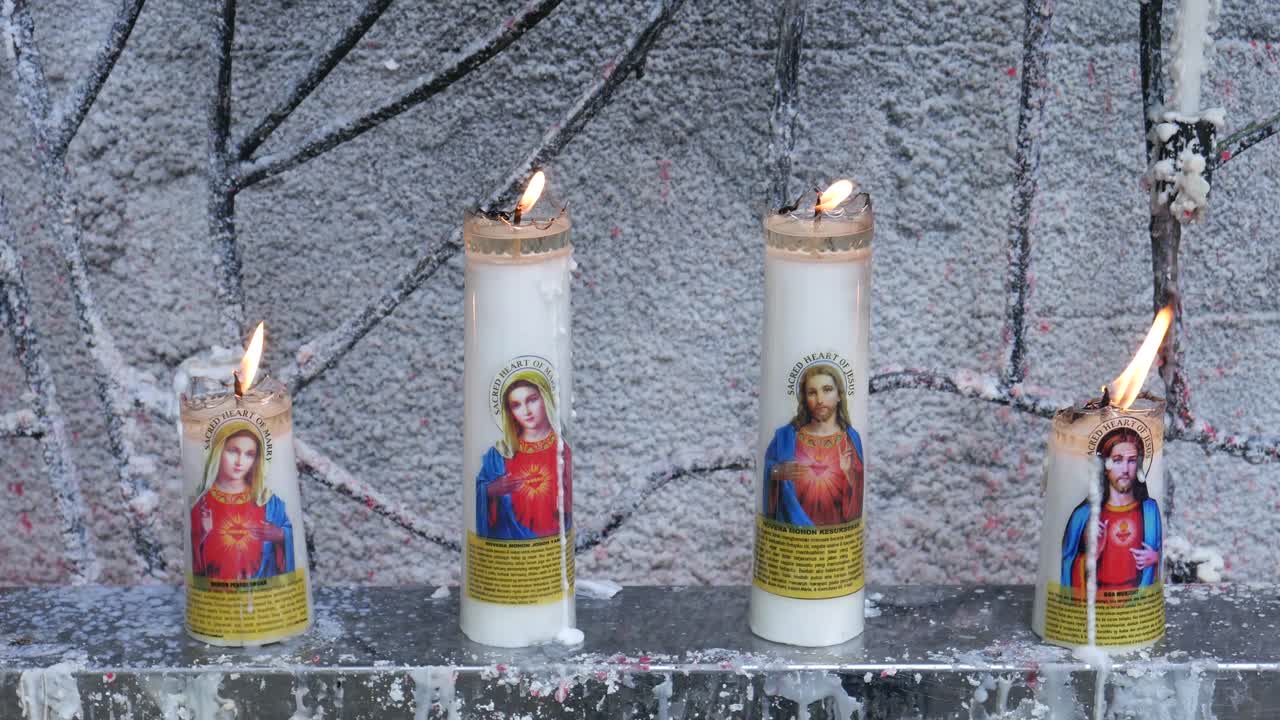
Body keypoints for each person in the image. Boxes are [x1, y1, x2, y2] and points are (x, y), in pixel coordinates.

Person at [1061, 427, 1162, 599]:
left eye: (1131, 461)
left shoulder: (1150, 512)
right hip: (1097, 607)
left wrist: (1155, 558)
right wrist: (1090, 555)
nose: (1125, 469)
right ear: (1105, 467)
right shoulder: (1084, 516)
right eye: (1117, 460)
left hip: (1136, 609)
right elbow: (1066, 563)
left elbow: (1159, 553)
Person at [190, 420, 295, 580]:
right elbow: (195, 565)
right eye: (233, 451)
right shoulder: (202, 503)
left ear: (256, 460)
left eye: (249, 454)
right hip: (217, 600)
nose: (240, 461)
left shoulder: (268, 502)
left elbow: (291, 540)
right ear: (219, 451)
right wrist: (202, 534)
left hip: (264, 599)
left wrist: (280, 535)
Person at [763, 363, 864, 526]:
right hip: (792, 539)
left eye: (827, 389)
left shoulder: (851, 440)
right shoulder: (786, 437)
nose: (820, 400)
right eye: (812, 392)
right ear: (805, 398)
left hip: (835, 543)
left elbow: (858, 498)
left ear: (839, 395)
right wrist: (777, 471)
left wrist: (849, 474)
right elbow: (767, 470)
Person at [476, 371, 572, 539]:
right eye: (516, 405)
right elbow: (476, 493)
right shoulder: (499, 455)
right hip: (507, 554)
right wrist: (490, 491)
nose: (526, 411)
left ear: (546, 399)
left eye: (532, 400)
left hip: (553, 550)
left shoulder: (563, 449)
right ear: (509, 412)